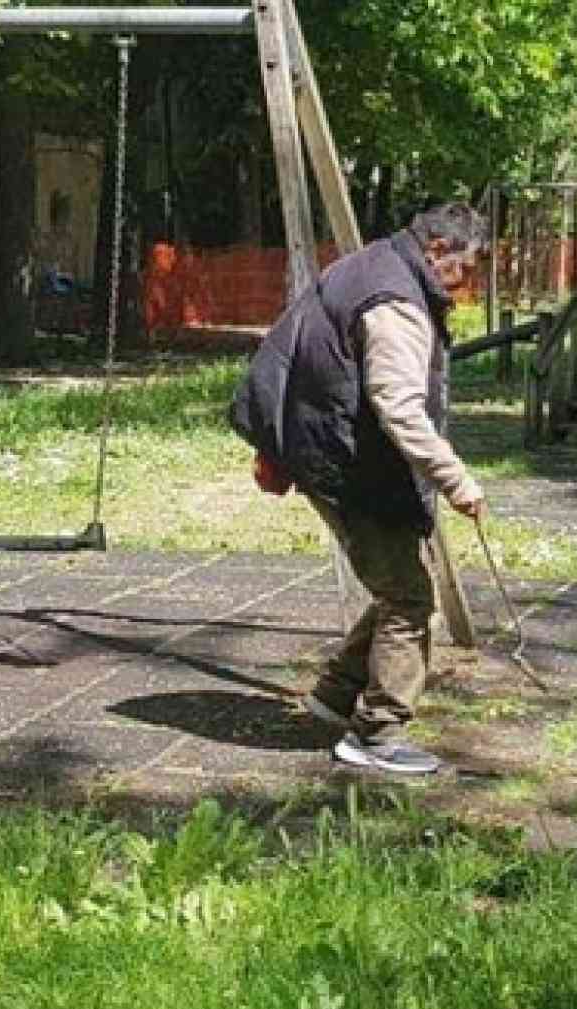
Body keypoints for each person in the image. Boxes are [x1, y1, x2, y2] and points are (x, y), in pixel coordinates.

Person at [229, 201, 490, 776]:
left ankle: (335, 695)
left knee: (396, 583)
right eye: (465, 269)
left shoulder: (374, 262)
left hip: (322, 443)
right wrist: (456, 481)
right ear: (438, 250)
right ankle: (376, 734)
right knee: (408, 599)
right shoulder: (395, 301)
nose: (466, 284)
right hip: (345, 460)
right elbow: (399, 408)